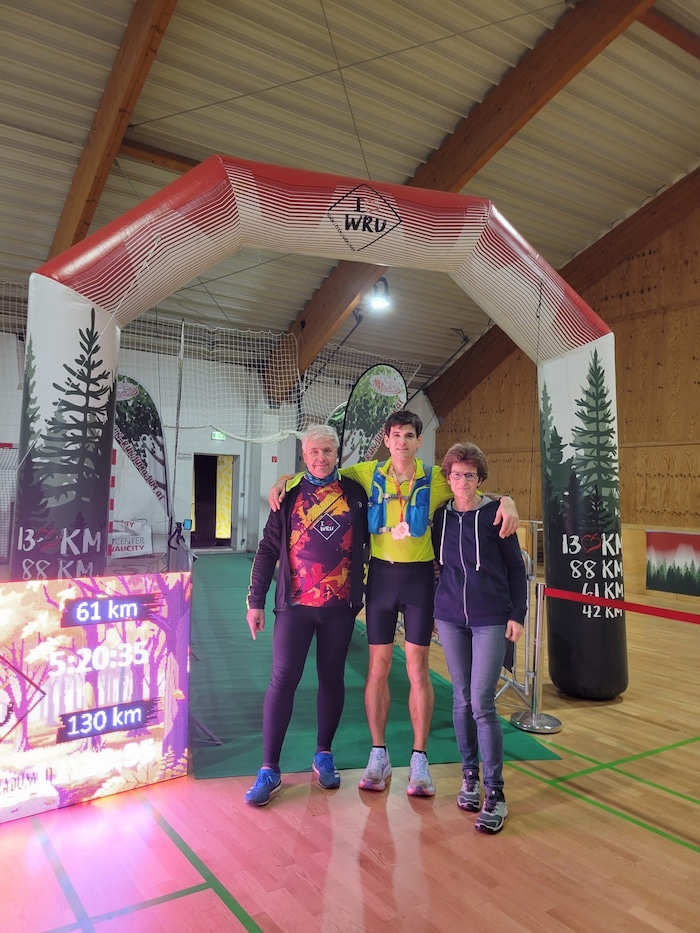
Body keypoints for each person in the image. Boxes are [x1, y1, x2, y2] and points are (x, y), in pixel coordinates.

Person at [269, 410, 519, 800]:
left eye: (409, 436)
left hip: (419, 580)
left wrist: (509, 500)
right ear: (386, 440)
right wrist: (283, 480)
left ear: (420, 441)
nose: (401, 442)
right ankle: (378, 753)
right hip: (381, 580)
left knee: (418, 668)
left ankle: (419, 758)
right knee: (378, 668)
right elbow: (320, 473)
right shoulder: (365, 473)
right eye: (395, 435)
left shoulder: (437, 477)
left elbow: (473, 488)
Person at [244, 424, 369, 806]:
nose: (320, 458)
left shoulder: (356, 493)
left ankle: (323, 753)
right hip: (294, 607)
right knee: (282, 680)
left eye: (327, 451)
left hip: (340, 608)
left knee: (331, 678)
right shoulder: (290, 495)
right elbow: (267, 550)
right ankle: (269, 768)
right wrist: (255, 600)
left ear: (338, 454)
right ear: (304, 456)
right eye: (314, 452)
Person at [432, 442, 527, 834]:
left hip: (490, 618)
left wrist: (517, 615)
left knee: (482, 703)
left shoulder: (496, 515)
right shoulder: (441, 518)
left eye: (469, 475)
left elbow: (516, 569)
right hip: (451, 617)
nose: (462, 481)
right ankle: (468, 775)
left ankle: (496, 792)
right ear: (448, 477)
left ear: (480, 478)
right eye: (456, 474)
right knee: (461, 698)